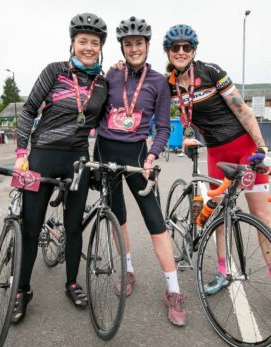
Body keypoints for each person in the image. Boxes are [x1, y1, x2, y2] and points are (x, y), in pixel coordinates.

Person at [162, 24, 271, 306]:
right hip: (216, 154)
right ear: (168, 52)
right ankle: (223, 272)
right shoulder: (168, 85)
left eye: (187, 47)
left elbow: (242, 109)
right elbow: (175, 111)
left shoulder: (211, 72)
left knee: (262, 217)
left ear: (194, 51)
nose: (181, 52)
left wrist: (262, 147)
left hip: (245, 149)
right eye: (175, 48)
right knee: (218, 217)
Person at [12, 12, 109, 323]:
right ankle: (22, 290)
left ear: (101, 47)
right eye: (83, 42)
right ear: (72, 44)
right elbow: (28, 111)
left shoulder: (102, 84)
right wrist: (20, 151)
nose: (89, 47)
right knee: (30, 227)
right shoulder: (54, 72)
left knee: (72, 227)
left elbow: (104, 127)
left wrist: (96, 162)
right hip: (42, 156)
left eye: (94, 43)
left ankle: (71, 283)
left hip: (77, 159)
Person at [95, 16, 186, 326]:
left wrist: (152, 155)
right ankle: (128, 269)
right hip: (106, 150)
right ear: (122, 47)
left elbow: (162, 127)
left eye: (139, 43)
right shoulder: (113, 74)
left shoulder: (159, 82)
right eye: (128, 44)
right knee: (117, 216)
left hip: (137, 154)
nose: (134, 49)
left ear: (148, 46)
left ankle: (173, 290)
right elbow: (99, 109)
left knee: (155, 221)